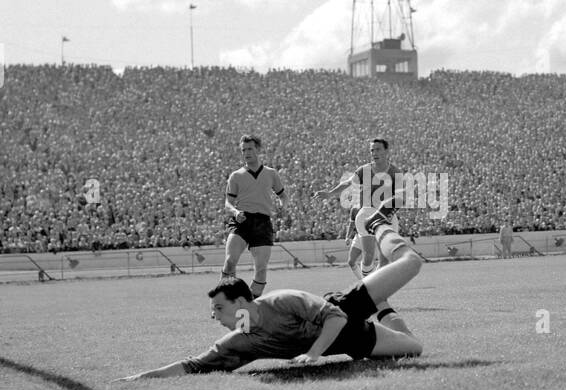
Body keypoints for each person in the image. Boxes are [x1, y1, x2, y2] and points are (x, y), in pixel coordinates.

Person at [123, 221, 424, 377]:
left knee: (412, 263)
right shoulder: (239, 341)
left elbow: (336, 318)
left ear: (241, 302)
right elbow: (193, 365)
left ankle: (378, 225)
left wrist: (315, 354)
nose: (214, 316)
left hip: (343, 308)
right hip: (351, 341)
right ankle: (382, 304)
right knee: (415, 349)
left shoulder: (282, 300)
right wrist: (142, 377)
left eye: (218, 308)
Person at [314, 137, 401, 278]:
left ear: (387, 151)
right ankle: (369, 289)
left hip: (387, 216)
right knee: (368, 256)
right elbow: (347, 183)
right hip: (367, 214)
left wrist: (390, 212)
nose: (374, 153)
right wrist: (330, 194)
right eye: (372, 150)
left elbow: (399, 197)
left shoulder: (395, 172)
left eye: (378, 149)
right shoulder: (364, 170)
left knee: (385, 258)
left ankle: (374, 288)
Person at [221, 135, 285, 297]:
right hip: (241, 220)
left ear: (258, 149)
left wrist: (283, 206)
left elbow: (283, 196)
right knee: (230, 261)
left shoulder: (271, 173)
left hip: (263, 222)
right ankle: (223, 301)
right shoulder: (236, 176)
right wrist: (235, 212)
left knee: (261, 268)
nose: (246, 153)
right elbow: (228, 203)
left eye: (249, 149)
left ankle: (250, 303)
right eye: (243, 150)